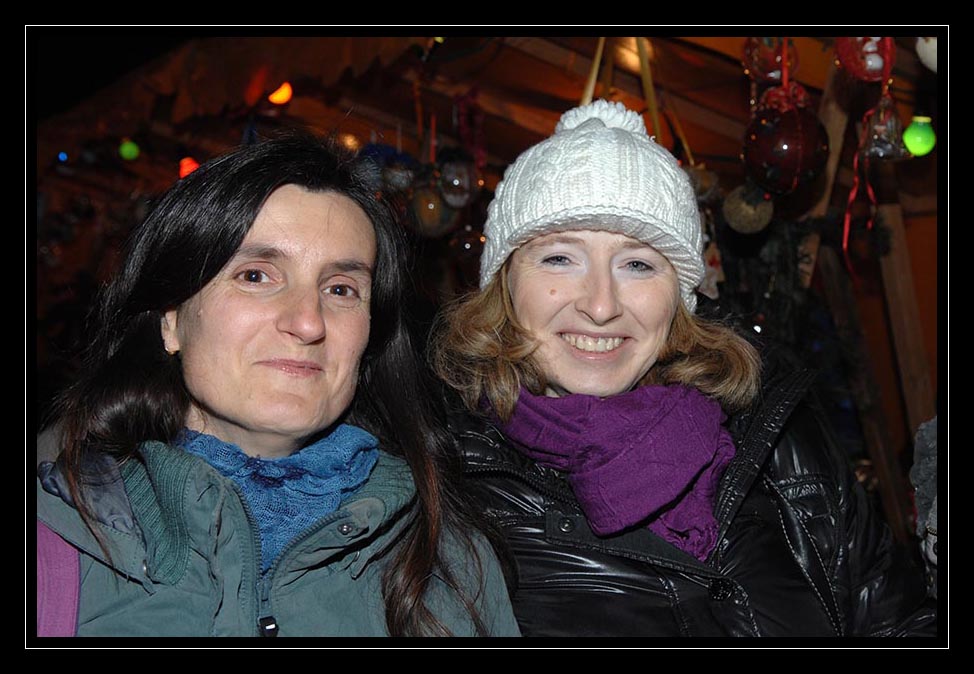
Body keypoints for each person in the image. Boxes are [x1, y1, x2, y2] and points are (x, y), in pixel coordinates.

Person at [432, 100, 936, 637]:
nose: (600, 305)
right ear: (506, 283)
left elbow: (899, 622)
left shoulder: (776, 427)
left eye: (637, 264)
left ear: (680, 295)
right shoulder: (446, 486)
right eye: (560, 258)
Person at [36, 131, 519, 638]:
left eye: (340, 289)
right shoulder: (55, 529)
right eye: (256, 276)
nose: (308, 322)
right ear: (171, 319)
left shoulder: (449, 561)